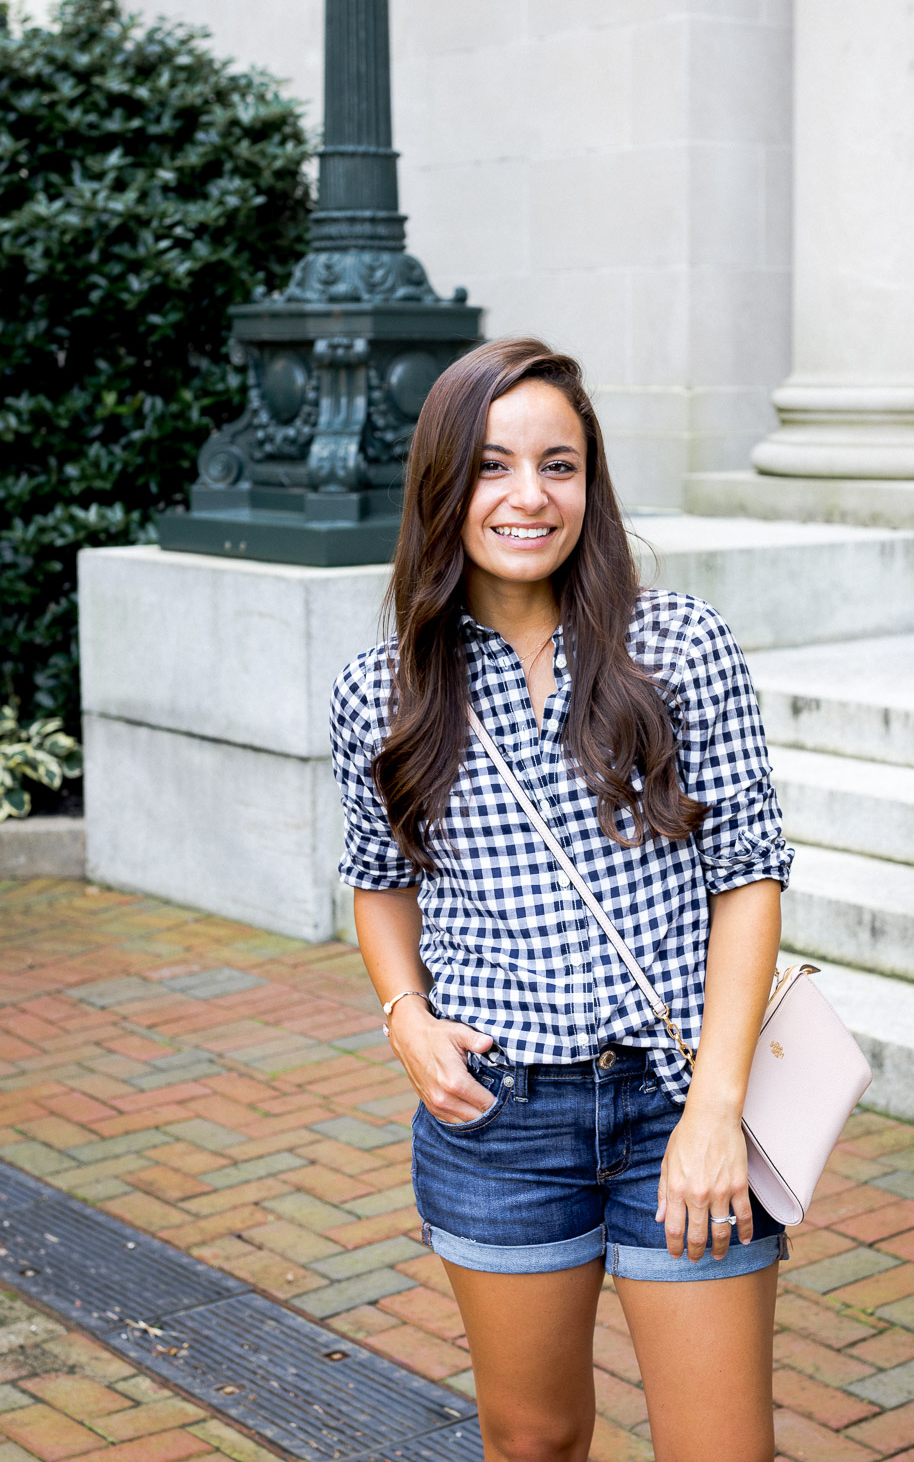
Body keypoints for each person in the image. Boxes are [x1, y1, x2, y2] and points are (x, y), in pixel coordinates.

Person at [330, 337, 793, 1462]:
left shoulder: (676, 647)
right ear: (444, 487)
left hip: (677, 1099)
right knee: (532, 1440)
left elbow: (748, 878)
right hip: (497, 1121)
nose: (529, 497)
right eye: (491, 467)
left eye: (559, 465)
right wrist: (407, 1020)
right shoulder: (381, 691)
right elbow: (379, 882)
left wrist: (713, 1112)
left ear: (591, 482)